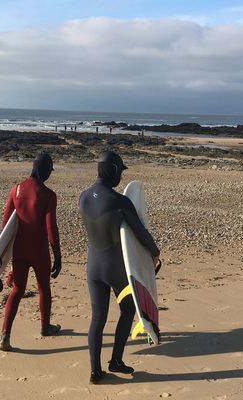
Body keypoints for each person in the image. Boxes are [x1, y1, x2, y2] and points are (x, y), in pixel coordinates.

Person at [79, 150, 161, 384]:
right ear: (113, 170)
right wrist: (155, 253)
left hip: (93, 268)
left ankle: (95, 371)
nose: (121, 177)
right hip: (115, 270)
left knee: (97, 318)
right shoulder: (120, 201)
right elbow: (141, 232)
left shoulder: (83, 197)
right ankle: (115, 360)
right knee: (127, 309)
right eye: (120, 171)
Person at [0, 153, 62, 351]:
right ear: (45, 171)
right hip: (39, 250)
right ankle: (45, 327)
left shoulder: (15, 190)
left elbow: (5, 227)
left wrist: (4, 257)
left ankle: (5, 336)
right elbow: (51, 228)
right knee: (44, 287)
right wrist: (57, 255)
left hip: (19, 249)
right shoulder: (48, 195)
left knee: (17, 290)